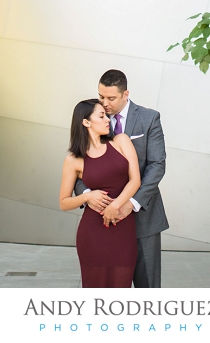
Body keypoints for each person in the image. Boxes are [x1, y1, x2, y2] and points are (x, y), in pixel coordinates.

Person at [77, 69, 168, 288]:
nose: (104, 103)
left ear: (125, 94)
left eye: (111, 98)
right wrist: (88, 196)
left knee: (148, 289)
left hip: (143, 219)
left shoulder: (149, 118)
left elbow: (157, 165)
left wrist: (131, 203)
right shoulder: (95, 120)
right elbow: (79, 166)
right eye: (101, 97)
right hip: (104, 222)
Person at [59, 98, 141, 288]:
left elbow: (135, 180)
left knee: (121, 289)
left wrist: (115, 205)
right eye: (102, 116)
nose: (107, 120)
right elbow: (64, 202)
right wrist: (87, 196)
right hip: (93, 233)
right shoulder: (73, 160)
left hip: (123, 230)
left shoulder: (121, 141)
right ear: (86, 122)